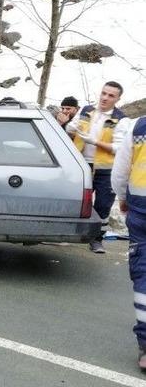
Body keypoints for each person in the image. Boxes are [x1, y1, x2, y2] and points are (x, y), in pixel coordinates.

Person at [66, 81, 129, 253]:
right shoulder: (86, 110)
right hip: (81, 163)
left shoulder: (121, 119)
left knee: (103, 205)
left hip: (105, 168)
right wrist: (72, 127)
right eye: (104, 93)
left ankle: (96, 240)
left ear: (117, 99)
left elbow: (119, 148)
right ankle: (72, 234)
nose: (105, 98)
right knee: (77, 201)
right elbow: (71, 131)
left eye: (111, 95)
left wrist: (94, 141)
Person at [111, 115, 146, 369]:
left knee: (144, 272)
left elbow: (121, 171)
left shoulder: (139, 126)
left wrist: (123, 197)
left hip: (142, 209)